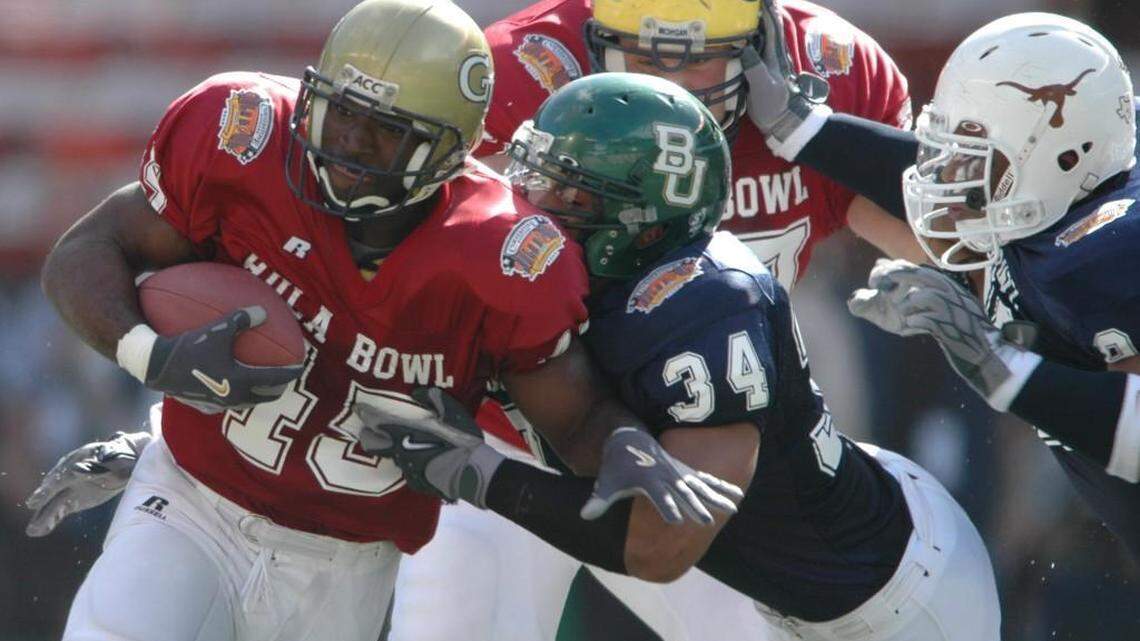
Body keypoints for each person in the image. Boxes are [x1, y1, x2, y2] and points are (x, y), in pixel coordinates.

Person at [32, 1, 740, 639]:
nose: (349, 141)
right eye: (341, 109)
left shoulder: (504, 253)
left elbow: (575, 414)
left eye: (384, 130)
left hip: (346, 558)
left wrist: (622, 441)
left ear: (450, 149)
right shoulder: (242, 139)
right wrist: (147, 354)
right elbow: (90, 249)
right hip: (190, 502)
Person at [362, 72, 1002, 641]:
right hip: (816, 562)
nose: (529, 205)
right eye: (533, 174)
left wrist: (481, 474)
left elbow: (660, 548)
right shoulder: (610, 274)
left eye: (568, 194)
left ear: (638, 221)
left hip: (902, 605)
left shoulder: (703, 308)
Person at [749, 11, 1140, 555]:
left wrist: (1001, 368)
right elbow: (967, 178)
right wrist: (804, 129)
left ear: (1066, 155)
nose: (946, 175)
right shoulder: (1076, 175)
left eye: (970, 151)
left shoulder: (1108, 255)